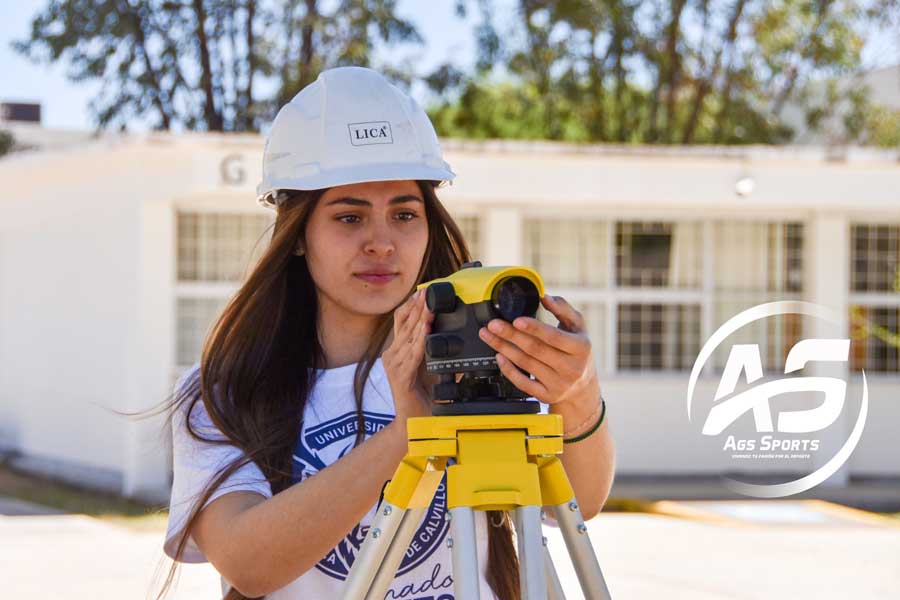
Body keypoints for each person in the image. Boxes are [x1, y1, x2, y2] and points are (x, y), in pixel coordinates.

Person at [159, 66, 615, 600]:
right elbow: (248, 563)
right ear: (297, 234)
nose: (382, 242)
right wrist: (409, 434)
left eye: (404, 213)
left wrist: (578, 395)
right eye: (349, 218)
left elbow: (575, 505)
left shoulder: (469, 355)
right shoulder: (223, 390)